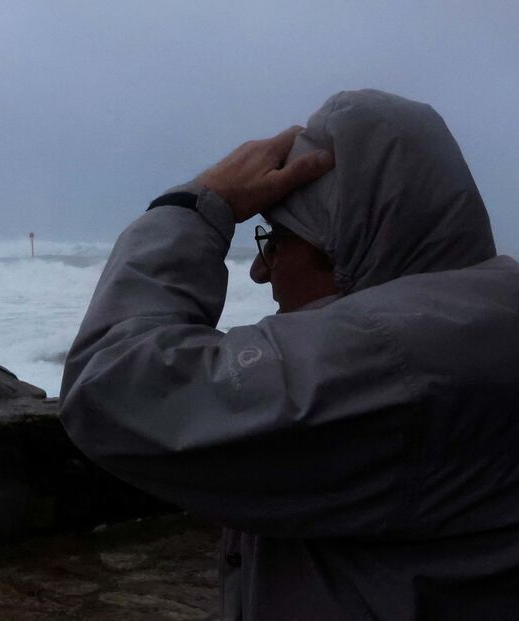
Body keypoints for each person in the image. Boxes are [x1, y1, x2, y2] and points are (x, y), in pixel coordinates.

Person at [58, 89, 519, 619]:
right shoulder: (482, 315)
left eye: (277, 239)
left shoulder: (395, 357)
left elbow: (112, 383)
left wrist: (195, 207)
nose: (261, 269)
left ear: (343, 243)